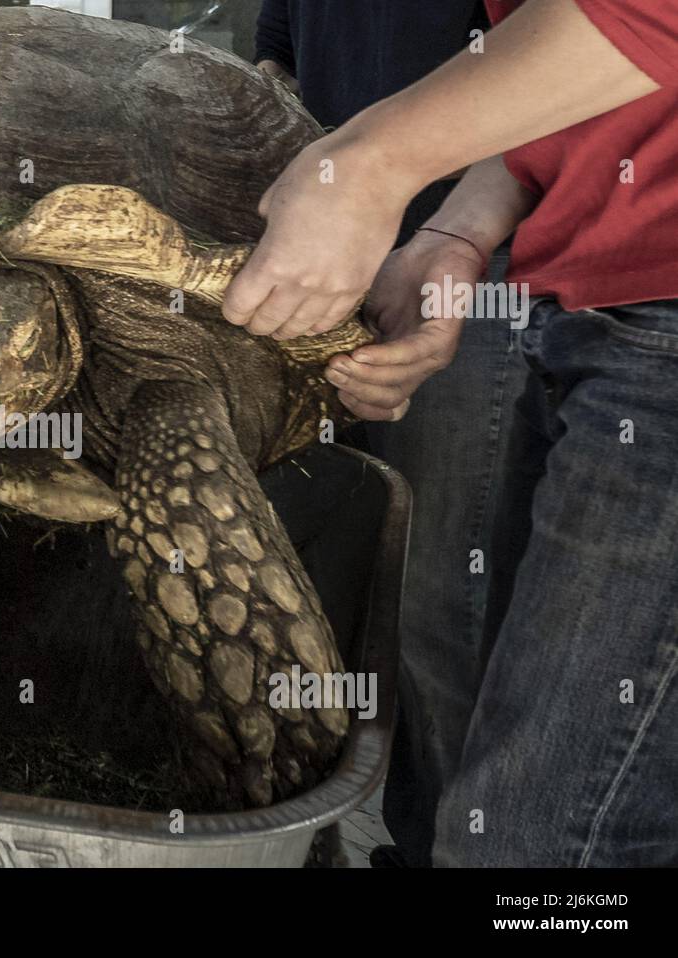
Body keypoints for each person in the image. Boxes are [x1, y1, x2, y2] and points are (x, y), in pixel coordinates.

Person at [233, 0, 678, 866]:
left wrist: (370, 163)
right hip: (592, 300)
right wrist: (457, 233)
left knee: (546, 842)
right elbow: (591, 80)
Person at [253, 0, 527, 867]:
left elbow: (595, 48)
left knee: (447, 596)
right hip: (338, 251)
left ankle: (451, 846)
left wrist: (441, 215)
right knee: (359, 569)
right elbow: (278, 71)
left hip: (480, 248)